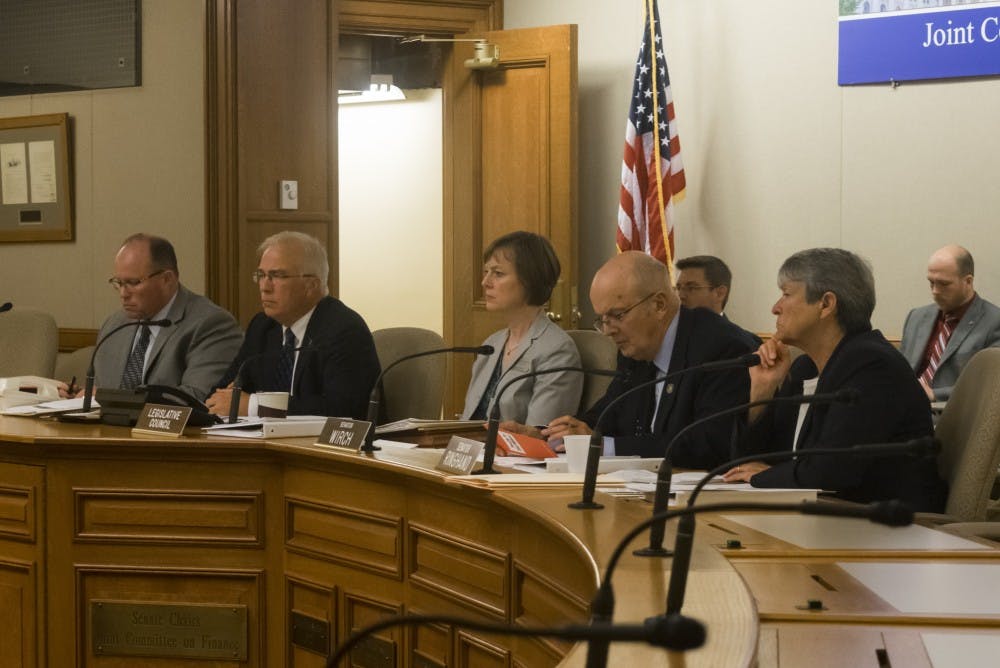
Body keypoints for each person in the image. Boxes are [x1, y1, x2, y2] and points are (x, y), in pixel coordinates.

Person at [724, 248, 947, 512]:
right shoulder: (806, 367)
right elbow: (747, 465)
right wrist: (762, 392)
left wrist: (765, 475)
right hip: (818, 515)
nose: (775, 308)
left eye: (786, 294)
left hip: (883, 525)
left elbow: (830, 471)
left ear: (826, 304)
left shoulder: (873, 366)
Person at [541, 251, 753, 468]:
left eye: (617, 315)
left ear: (659, 305)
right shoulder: (637, 348)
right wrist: (547, 435)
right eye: (602, 319)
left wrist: (603, 446)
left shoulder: (722, 348)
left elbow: (708, 443)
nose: (607, 331)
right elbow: (607, 416)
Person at [206, 231, 380, 419]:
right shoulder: (263, 327)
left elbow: (343, 409)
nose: (265, 286)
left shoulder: (344, 330)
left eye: (277, 276)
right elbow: (222, 395)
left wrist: (256, 406)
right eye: (261, 275)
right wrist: (225, 403)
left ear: (311, 285)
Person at [80, 233, 242, 402]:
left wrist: (120, 400)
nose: (123, 294)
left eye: (133, 283)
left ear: (167, 279)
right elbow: (100, 389)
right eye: (119, 283)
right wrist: (81, 396)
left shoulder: (211, 324)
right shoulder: (114, 325)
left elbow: (198, 398)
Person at [462, 231, 583, 426]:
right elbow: (469, 419)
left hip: (512, 447)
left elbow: (540, 433)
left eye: (498, 273)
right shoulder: (491, 344)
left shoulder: (557, 350)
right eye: (486, 272)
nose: (485, 282)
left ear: (529, 279)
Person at [900, 245, 1000, 402]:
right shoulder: (916, 317)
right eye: (931, 282)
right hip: (903, 405)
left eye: (944, 284)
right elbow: (899, 369)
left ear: (968, 281)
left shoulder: (994, 322)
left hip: (951, 410)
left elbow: (990, 384)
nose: (935, 291)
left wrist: (935, 395)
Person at [675, 254, 761, 348]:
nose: (681, 295)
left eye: (691, 288)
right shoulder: (670, 337)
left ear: (720, 293)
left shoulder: (741, 342)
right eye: (678, 288)